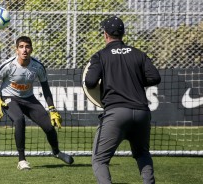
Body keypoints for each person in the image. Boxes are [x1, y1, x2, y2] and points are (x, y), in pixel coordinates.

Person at [84, 16, 161, 184]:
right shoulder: (138, 54)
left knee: (99, 160)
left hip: (116, 113)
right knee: (142, 154)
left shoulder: (100, 55)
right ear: (123, 33)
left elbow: (89, 82)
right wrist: (134, 79)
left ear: (105, 34)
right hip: (142, 112)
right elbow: (155, 77)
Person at [0, 36, 74, 170]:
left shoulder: (37, 66)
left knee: (49, 126)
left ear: (32, 49)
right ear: (16, 50)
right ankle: (22, 160)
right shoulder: (8, 65)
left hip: (29, 98)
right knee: (19, 119)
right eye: (21, 47)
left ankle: (57, 152)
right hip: (9, 98)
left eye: (27, 47)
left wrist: (52, 109)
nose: (24, 50)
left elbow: (45, 88)